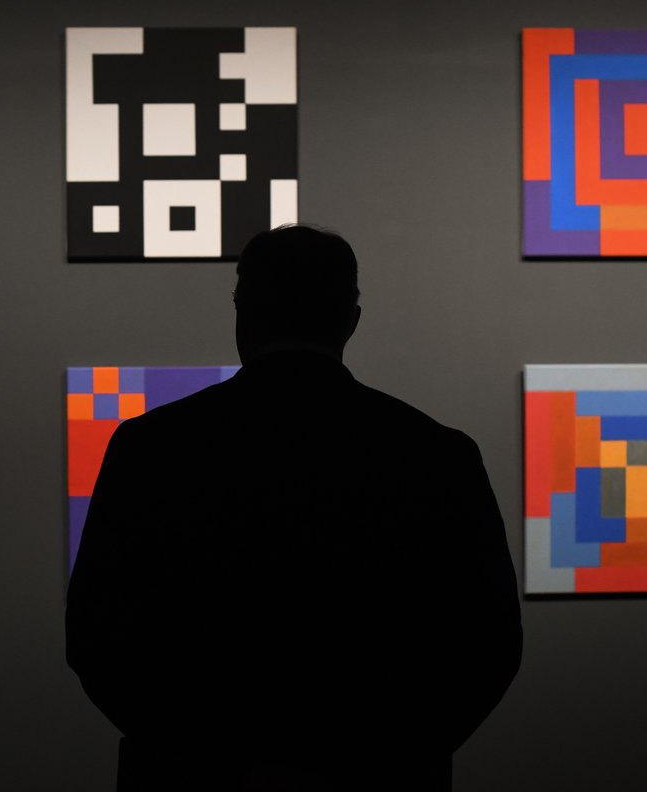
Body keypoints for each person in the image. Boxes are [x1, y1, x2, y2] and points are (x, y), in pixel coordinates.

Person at [65, 224, 522, 791]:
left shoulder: (150, 447)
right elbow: (488, 645)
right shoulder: (437, 453)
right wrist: (385, 757)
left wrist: (204, 756)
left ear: (243, 312)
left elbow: (97, 635)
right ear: (351, 320)